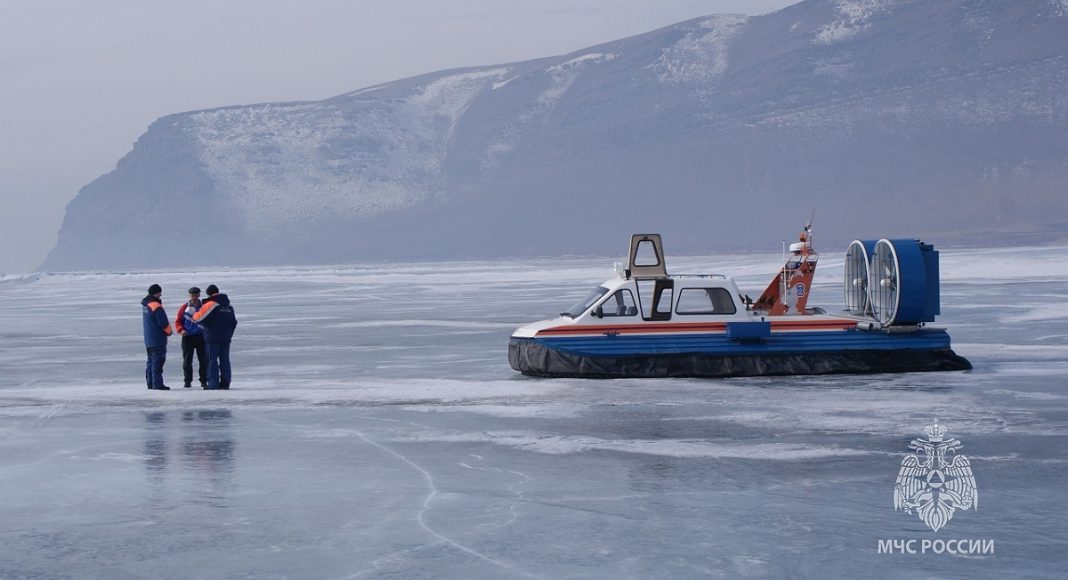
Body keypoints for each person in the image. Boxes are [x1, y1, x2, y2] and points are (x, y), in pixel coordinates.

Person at [192, 284, 238, 390]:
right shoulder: (228, 305)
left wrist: (195, 314)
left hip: (212, 337)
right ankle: (225, 384)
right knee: (225, 360)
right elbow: (233, 322)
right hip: (226, 338)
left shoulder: (211, 304)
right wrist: (229, 333)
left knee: (211, 360)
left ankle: (213, 384)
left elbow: (198, 318)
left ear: (209, 294)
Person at [175, 286, 208, 388]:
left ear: (199, 295)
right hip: (187, 337)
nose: (194, 297)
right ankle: (187, 381)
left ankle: (203, 381)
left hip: (201, 337)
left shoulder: (204, 307)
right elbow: (178, 321)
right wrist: (181, 330)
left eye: (196, 295)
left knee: (203, 360)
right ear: (189, 295)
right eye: (192, 295)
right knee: (187, 361)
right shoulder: (184, 307)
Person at [142, 284, 172, 390]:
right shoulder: (155, 306)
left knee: (151, 361)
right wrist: (169, 331)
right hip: (157, 338)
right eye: (160, 292)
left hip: (148, 338)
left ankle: (150, 382)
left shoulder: (146, 305)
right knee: (157, 361)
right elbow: (163, 322)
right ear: (156, 293)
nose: (161, 295)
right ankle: (157, 384)